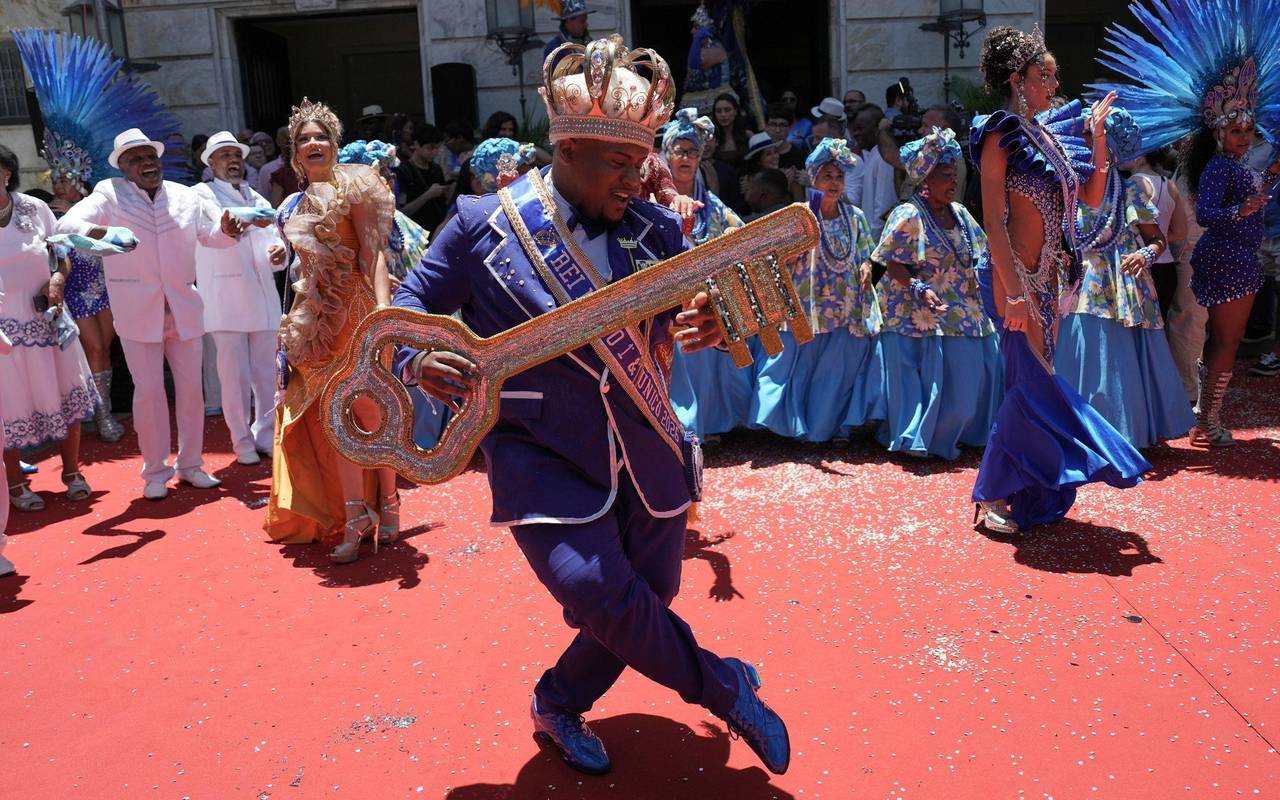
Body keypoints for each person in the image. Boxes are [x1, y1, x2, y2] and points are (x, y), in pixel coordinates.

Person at [394, 34, 789, 778]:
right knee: (595, 591)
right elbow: (410, 304)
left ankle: (557, 700)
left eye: (641, 164)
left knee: (650, 597)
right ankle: (724, 686)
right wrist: (421, 357)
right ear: (566, 150)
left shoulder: (657, 227)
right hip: (538, 449)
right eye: (619, 164)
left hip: (645, 446)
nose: (638, 181)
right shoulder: (483, 226)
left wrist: (706, 322)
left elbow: (674, 319)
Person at [970, 26, 1150, 533]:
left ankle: (1024, 487)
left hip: (1048, 284)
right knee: (1029, 388)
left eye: (1054, 75)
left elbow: (1091, 199)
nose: (1052, 83)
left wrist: (1096, 140)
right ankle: (995, 495)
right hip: (1012, 279)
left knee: (1028, 384)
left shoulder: (1049, 138)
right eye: (1042, 74)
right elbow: (994, 221)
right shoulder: (998, 132)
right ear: (1016, 79)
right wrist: (1013, 291)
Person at [1093, 0, 1280, 445]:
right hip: (1226, 258)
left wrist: (1265, 185)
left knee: (1221, 338)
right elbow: (1211, 215)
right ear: (1218, 131)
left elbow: (1250, 192)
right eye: (1237, 130)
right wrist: (1243, 210)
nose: (1245, 137)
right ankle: (1207, 418)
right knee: (1223, 341)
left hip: (1238, 258)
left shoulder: (1234, 167)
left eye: (1250, 131)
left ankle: (1205, 412)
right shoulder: (1217, 168)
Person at [57, 128, 244, 500]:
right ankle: (155, 470)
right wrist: (105, 235)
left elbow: (211, 236)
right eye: (137, 159)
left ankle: (191, 465)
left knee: (192, 392)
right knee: (150, 394)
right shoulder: (109, 193)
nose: (147, 164)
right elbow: (66, 226)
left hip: (184, 307)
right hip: (137, 312)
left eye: (150, 157)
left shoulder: (184, 195)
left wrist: (227, 231)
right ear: (123, 167)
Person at [264, 99, 401, 563]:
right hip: (315, 320)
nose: (312, 143)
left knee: (371, 413)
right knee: (334, 420)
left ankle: (389, 502)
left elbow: (373, 253)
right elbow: (301, 263)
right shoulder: (295, 203)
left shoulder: (357, 185)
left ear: (334, 142)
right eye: (303, 139)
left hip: (356, 314)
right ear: (294, 153)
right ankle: (355, 514)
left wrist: (383, 309)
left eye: (320, 135)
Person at [1053, 110, 1195, 449]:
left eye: (1092, 136)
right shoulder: (1071, 188)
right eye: (1086, 136)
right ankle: (1083, 433)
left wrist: (1144, 255)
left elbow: (1158, 239)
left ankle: (1121, 434)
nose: (1084, 142)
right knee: (1083, 358)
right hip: (1082, 286)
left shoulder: (1129, 191)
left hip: (1124, 288)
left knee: (1117, 363)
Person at [871, 128, 1001, 459]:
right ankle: (918, 438)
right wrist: (918, 288)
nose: (953, 180)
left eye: (954, 173)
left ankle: (964, 435)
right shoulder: (908, 214)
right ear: (925, 178)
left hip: (965, 311)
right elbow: (889, 262)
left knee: (969, 388)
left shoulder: (961, 214)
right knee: (925, 388)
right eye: (944, 174)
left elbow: (984, 253)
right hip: (920, 315)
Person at [750, 138, 883, 442]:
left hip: (844, 308)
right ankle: (794, 427)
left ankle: (831, 428)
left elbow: (870, 254)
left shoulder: (856, 216)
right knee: (799, 369)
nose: (834, 183)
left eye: (838, 177)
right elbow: (777, 258)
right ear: (813, 178)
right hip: (806, 305)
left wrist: (867, 268)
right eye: (827, 176)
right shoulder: (800, 215)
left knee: (835, 374)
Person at [0, 145, 97, 511]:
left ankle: (72, 473)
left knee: (65, 391)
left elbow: (62, 253)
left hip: (49, 318)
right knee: (7, 406)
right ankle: (15, 483)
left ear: (7, 172)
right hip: (4, 333)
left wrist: (57, 280)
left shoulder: (35, 207)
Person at [192, 131, 287, 466]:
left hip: (262, 296)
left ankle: (265, 433)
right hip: (225, 295)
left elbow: (276, 237)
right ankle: (240, 439)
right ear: (211, 162)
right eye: (225, 155)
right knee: (234, 376)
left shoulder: (257, 197)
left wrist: (280, 252)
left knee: (267, 373)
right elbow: (209, 236)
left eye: (236, 155)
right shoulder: (200, 197)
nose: (233, 161)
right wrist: (234, 228)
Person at [660, 108, 751, 442]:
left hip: (705, 295)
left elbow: (739, 235)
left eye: (692, 151)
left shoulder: (712, 205)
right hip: (667, 294)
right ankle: (677, 425)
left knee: (706, 355)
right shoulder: (655, 201)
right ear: (666, 155)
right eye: (679, 150)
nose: (686, 157)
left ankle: (709, 423)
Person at [1126, 146, 1186, 319]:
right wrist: (1160, 240)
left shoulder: (1134, 183)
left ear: (1142, 156)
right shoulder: (1170, 185)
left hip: (1141, 266)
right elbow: (1181, 232)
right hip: (1167, 268)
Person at [850, 104, 898, 238]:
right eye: (854, 129)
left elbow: (883, 207)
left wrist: (873, 247)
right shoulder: (872, 155)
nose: (856, 134)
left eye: (860, 128)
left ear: (877, 128)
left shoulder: (884, 158)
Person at [395, 123, 451, 233]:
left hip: (437, 231)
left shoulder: (436, 169)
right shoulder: (403, 171)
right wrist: (428, 195)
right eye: (430, 148)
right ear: (416, 144)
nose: (434, 152)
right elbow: (402, 212)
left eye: (437, 147)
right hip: (416, 234)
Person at [683, 2, 731, 116]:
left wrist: (697, 39)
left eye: (696, 28)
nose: (692, 31)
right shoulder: (703, 48)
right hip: (701, 95)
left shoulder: (715, 48)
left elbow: (694, 66)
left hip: (717, 97)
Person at [711, 93, 753, 173]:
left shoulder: (748, 135)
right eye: (719, 111)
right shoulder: (711, 138)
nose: (723, 115)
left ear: (735, 111)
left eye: (727, 110)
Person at [543, 0, 593, 65]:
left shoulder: (588, 42)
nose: (586, 24)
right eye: (582, 21)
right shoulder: (554, 49)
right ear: (568, 21)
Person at [257, 126, 291, 200]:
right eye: (287, 139)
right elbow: (263, 199)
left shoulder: (307, 165)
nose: (290, 143)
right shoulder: (267, 170)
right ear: (278, 142)